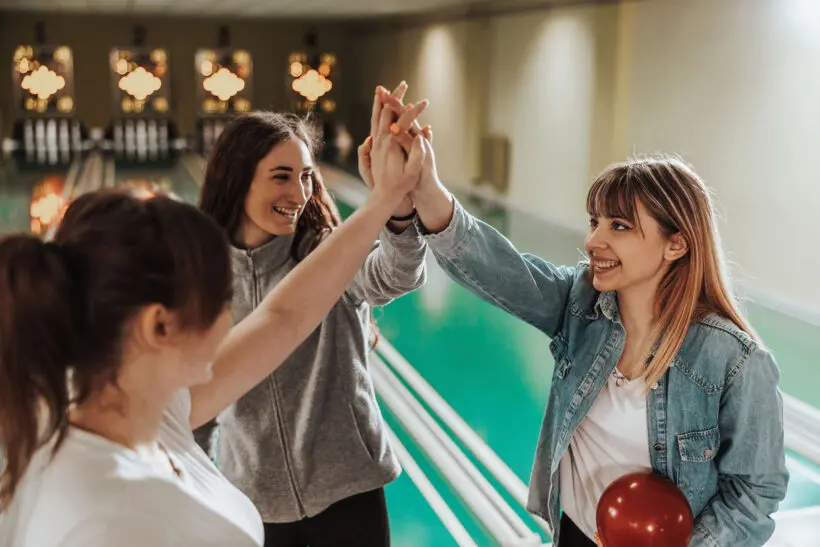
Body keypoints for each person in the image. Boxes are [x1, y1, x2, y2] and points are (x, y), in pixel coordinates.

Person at [0, 98, 427, 547]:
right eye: (216, 301)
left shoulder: (150, 408)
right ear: (158, 326)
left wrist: (388, 201)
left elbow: (283, 317)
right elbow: (279, 319)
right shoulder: (108, 521)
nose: (233, 320)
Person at [374, 91, 789, 546]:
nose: (593, 241)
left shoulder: (733, 360)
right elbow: (498, 269)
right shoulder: (580, 304)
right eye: (595, 222)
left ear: (677, 244)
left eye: (620, 226)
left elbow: (755, 492)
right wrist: (425, 187)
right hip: (574, 533)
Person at [193, 91, 428, 547]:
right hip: (254, 501)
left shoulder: (324, 254)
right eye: (281, 176)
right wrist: (198, 499)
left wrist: (398, 206)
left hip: (350, 492)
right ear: (237, 180)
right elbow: (197, 410)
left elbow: (396, 274)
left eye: (305, 176)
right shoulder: (205, 282)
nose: (300, 193)